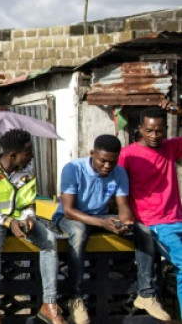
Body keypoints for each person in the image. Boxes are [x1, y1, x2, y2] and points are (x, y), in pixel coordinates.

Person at [53, 134, 169, 323]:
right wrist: (103, 224)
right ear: (92, 153)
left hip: (100, 215)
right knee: (80, 232)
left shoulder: (119, 172)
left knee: (144, 232)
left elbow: (123, 205)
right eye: (102, 161)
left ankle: (146, 295)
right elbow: (68, 210)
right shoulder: (73, 169)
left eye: (112, 162)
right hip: (71, 216)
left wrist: (125, 222)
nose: (107, 166)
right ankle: (75, 297)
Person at [0, 128, 66, 324]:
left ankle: (49, 304)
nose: (31, 157)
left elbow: (28, 203)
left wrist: (28, 218)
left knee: (49, 240)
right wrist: (8, 222)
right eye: (28, 154)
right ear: (13, 155)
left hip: (17, 219)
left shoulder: (27, 171)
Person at [119, 106, 182, 311]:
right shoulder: (128, 155)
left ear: (165, 130)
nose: (154, 135)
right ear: (140, 129)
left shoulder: (170, 148)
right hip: (153, 224)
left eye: (159, 131)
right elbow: (117, 190)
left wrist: (179, 112)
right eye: (149, 130)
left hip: (177, 219)